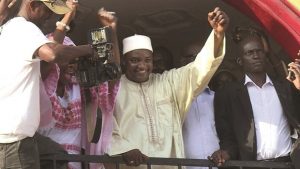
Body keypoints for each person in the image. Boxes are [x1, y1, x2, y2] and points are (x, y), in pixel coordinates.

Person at [107, 7, 229, 169]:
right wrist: (124, 149)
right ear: (124, 62)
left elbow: (198, 69)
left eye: (147, 60)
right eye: (134, 60)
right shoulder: (114, 88)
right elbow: (105, 126)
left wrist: (218, 34)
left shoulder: (168, 82)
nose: (142, 66)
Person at [0, 0, 98, 168]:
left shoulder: (10, 29)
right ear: (33, 5)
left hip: (19, 136)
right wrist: (90, 49)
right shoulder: (23, 28)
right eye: (47, 10)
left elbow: (46, 65)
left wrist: (65, 21)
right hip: (13, 141)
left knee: (57, 155)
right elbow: (52, 54)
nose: (50, 16)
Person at [38, 4, 121, 169]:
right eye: (67, 58)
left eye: (75, 60)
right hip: (43, 162)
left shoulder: (80, 89)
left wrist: (110, 32)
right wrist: (67, 16)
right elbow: (51, 57)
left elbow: (112, 74)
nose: (72, 64)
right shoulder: (40, 85)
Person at [210, 27, 300, 168]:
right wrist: (226, 152)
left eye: (259, 51)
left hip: (288, 164)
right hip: (252, 165)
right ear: (240, 61)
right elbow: (227, 136)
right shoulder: (229, 94)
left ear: (265, 55)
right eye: (249, 53)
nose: (256, 56)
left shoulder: (284, 87)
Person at [180, 40, 219, 169]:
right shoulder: (173, 98)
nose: (195, 61)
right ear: (182, 61)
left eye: (199, 57)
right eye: (190, 57)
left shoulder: (217, 99)